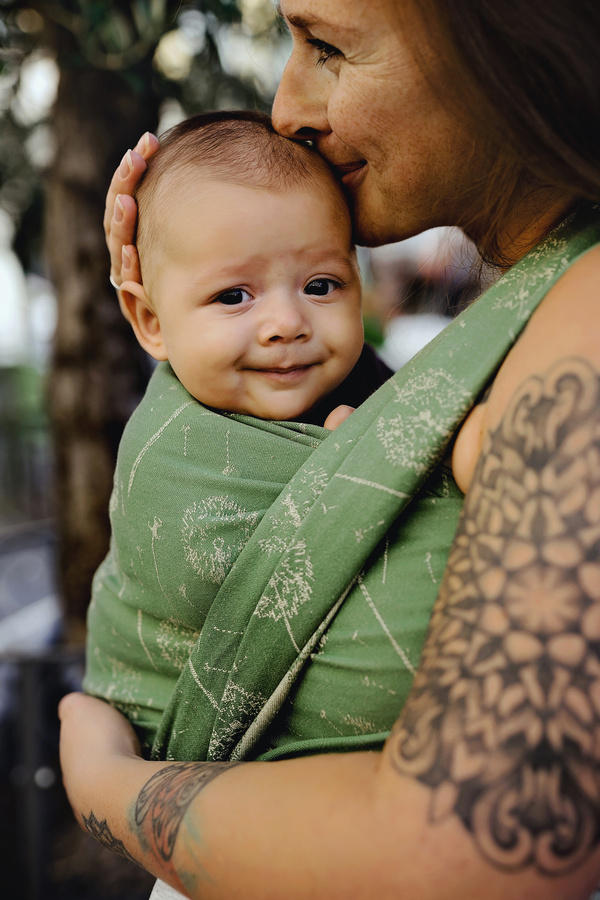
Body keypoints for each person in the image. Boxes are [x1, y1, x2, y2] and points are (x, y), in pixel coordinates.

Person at [59, 1, 600, 899]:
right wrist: (184, 268)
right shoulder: (542, 299)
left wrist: (109, 789)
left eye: (326, 45)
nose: (286, 107)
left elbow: (479, 849)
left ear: (503, 34)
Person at [84, 109, 392, 754]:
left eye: (320, 284)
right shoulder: (172, 449)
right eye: (233, 297)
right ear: (150, 321)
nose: (287, 322)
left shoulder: (374, 395)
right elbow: (193, 575)